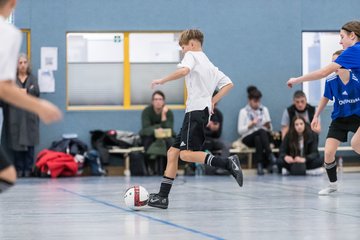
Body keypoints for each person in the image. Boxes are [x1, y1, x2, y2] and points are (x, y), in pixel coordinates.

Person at [148, 29, 243, 209]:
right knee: (173, 153)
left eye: (183, 47)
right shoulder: (209, 64)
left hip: (195, 112)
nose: (183, 51)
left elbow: (184, 71)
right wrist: (212, 101)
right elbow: (229, 84)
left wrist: (163, 80)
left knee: (186, 154)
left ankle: (227, 162)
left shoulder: (192, 55)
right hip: (198, 111)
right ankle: (162, 196)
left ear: (191, 43)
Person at [287, 20, 360, 195]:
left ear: (352, 35)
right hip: (340, 119)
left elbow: (322, 72)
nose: (340, 41)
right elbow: (326, 91)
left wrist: (297, 80)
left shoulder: (353, 51)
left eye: (342, 37)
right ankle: (333, 185)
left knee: (356, 143)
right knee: (349, 146)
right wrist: (317, 115)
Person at [0, 0, 62, 193]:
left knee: (6, 174)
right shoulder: (8, 33)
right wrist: (40, 106)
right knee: (7, 174)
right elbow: (4, 88)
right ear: (13, 3)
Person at [1, 53, 40, 177]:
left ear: (28, 64)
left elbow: (36, 92)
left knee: (30, 142)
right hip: (15, 115)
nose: (22, 65)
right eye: (20, 63)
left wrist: (25, 91)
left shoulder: (33, 79)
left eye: (24, 62)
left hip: (29, 115)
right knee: (16, 142)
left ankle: (28, 169)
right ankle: (18, 168)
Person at [238, 86, 277, 175]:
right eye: (255, 101)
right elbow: (240, 131)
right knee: (260, 132)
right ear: (249, 100)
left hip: (263, 138)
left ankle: (259, 165)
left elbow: (271, 128)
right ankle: (270, 155)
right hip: (248, 138)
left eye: (259, 101)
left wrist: (268, 126)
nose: (257, 104)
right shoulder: (243, 112)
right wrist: (250, 125)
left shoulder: (264, 110)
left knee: (258, 138)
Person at [139, 90, 175, 175]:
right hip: (150, 136)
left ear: (163, 101)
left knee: (171, 142)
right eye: (155, 99)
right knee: (147, 140)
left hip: (165, 137)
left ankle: (169, 169)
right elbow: (145, 129)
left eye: (160, 99)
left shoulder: (168, 112)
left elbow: (169, 129)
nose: (158, 101)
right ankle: (150, 168)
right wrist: (158, 128)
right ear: (152, 101)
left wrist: (163, 115)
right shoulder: (147, 111)